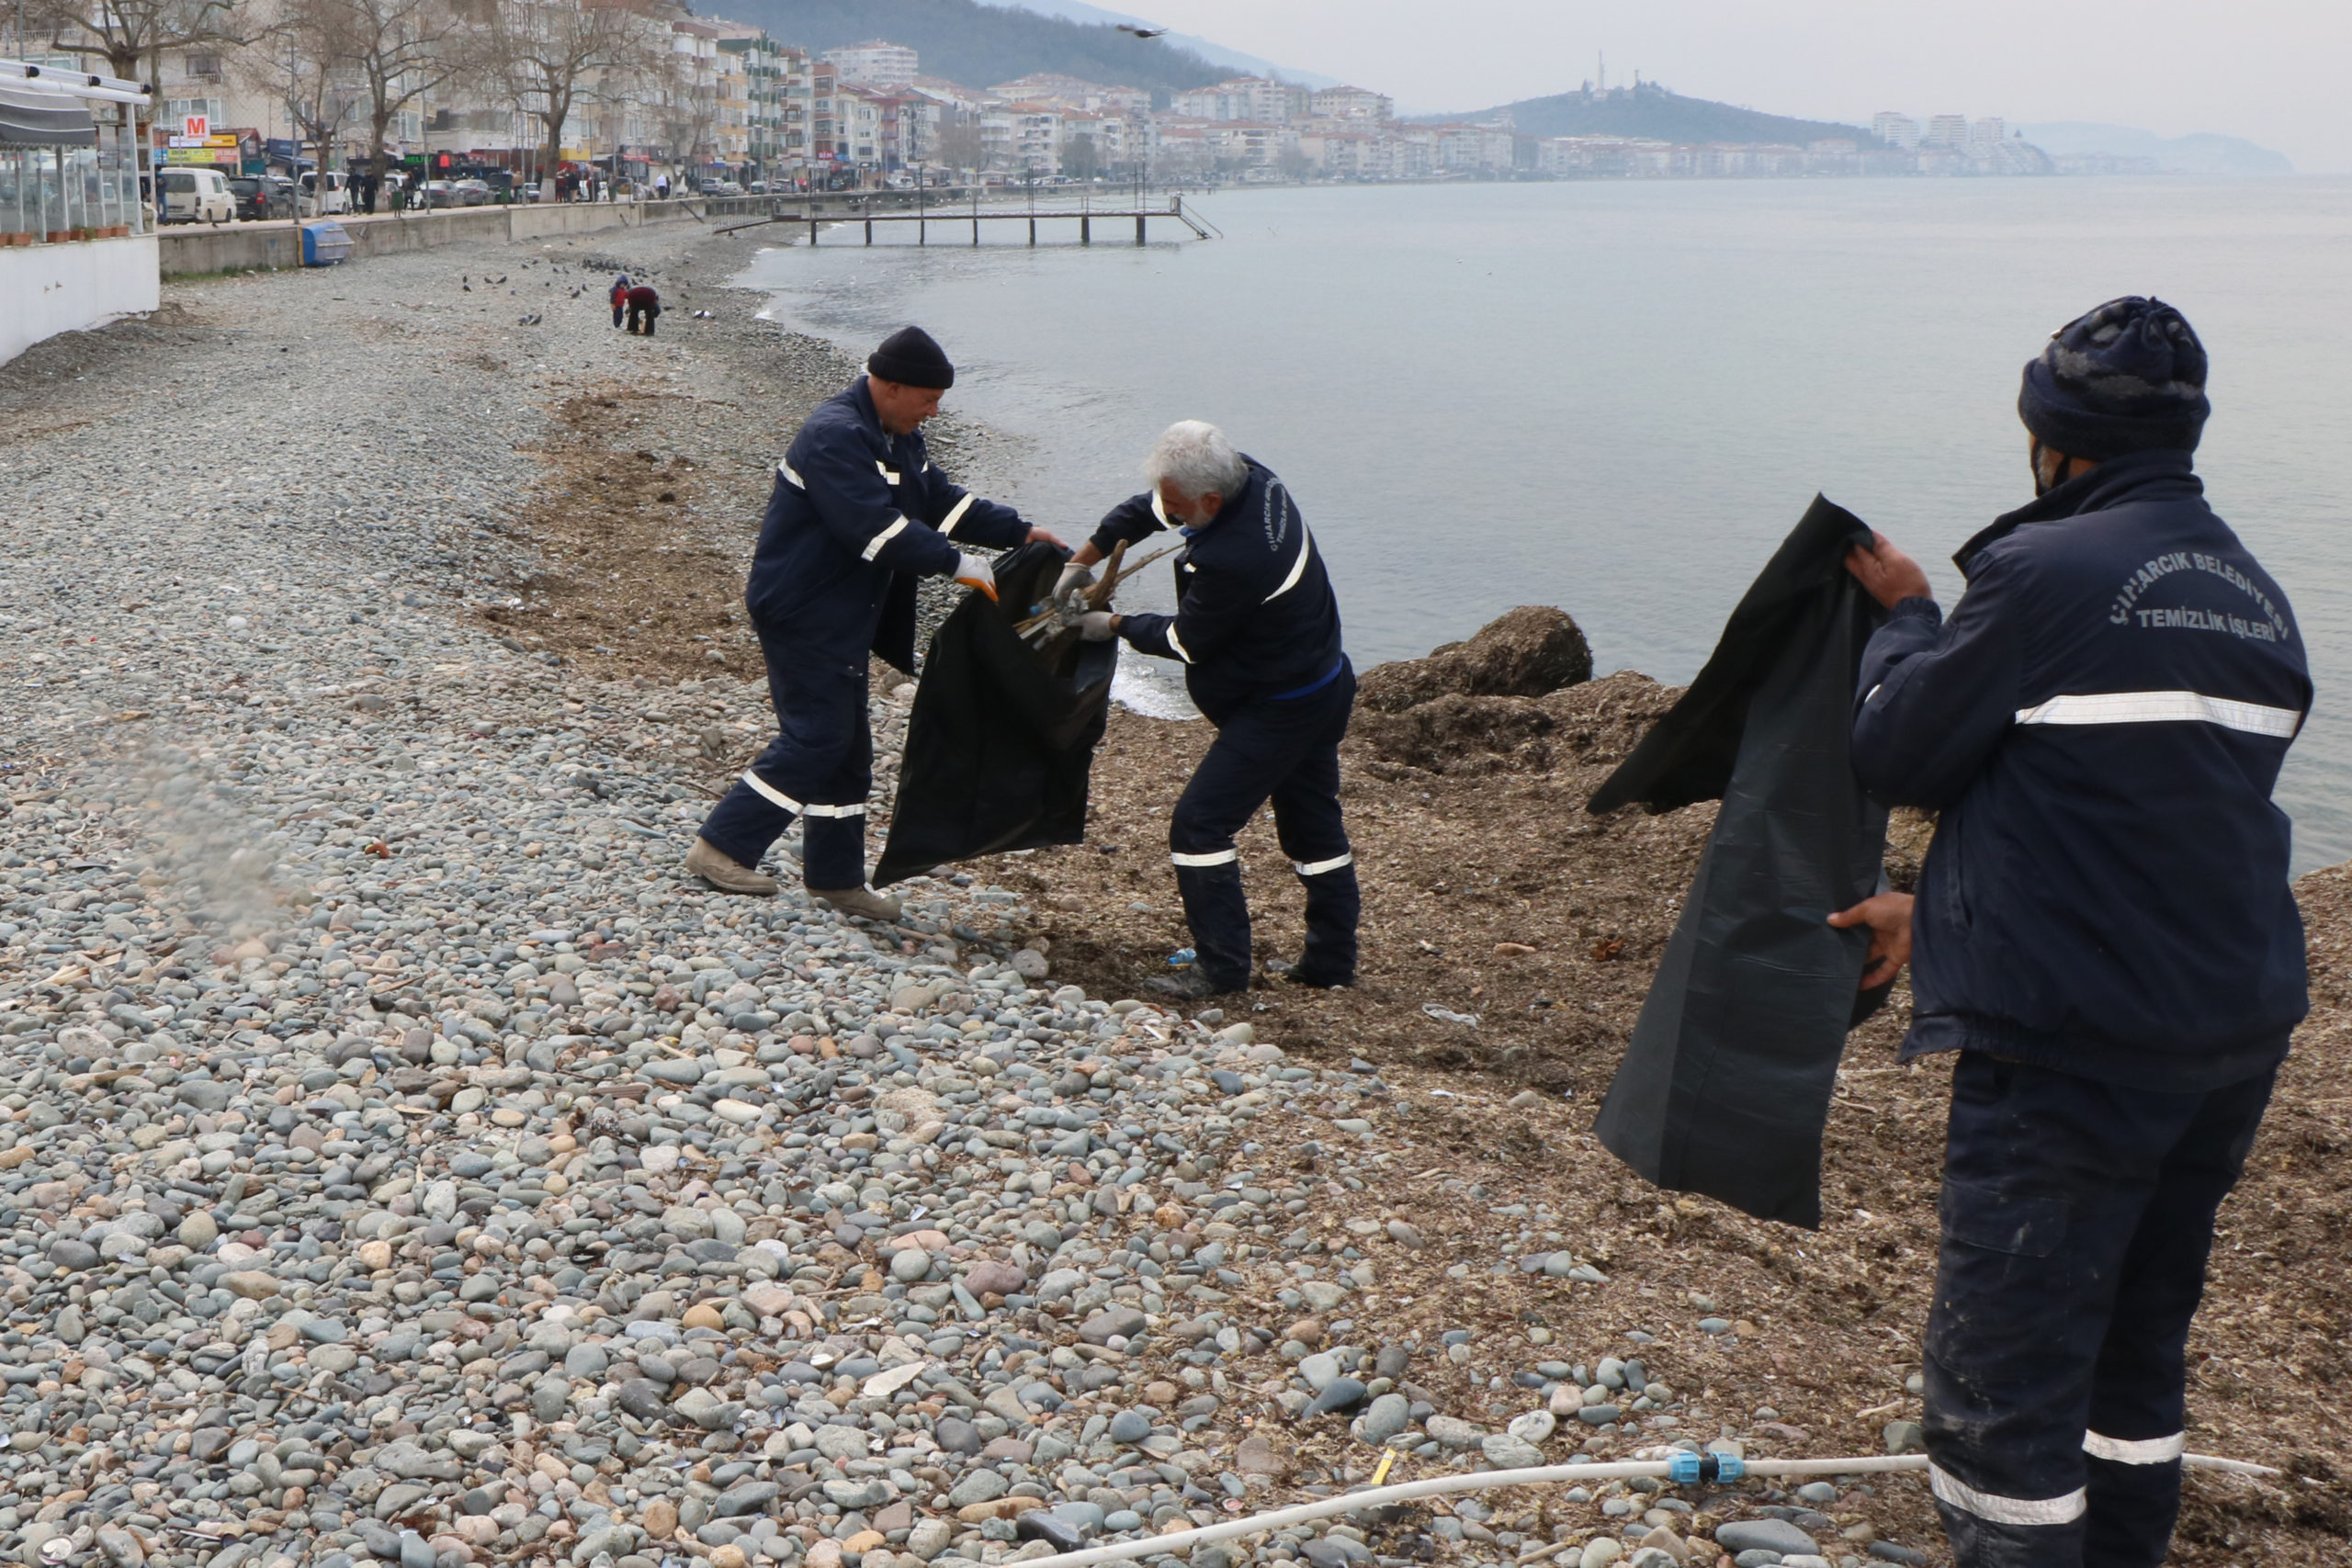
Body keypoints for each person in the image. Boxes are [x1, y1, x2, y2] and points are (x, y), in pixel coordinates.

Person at [1828, 297, 2311, 1568]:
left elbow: (1899, 749)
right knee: (2136, 1349)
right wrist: (1936, 909)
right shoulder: (2256, 597)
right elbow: (2142, 824)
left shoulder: (2042, 572)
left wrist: (1910, 615)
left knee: (2007, 1392)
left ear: (2056, 443)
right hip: (2228, 1031)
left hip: (2075, 1054)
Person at [684, 326, 1064, 918]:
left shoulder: (896, 433)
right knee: (818, 736)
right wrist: (962, 566)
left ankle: (835, 878)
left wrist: (1019, 532)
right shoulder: (835, 437)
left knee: (850, 747)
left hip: (845, 612)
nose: (935, 411)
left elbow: (940, 500)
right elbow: (875, 530)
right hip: (803, 608)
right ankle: (720, 846)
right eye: (928, 399)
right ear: (889, 387)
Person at [1071, 421, 1357, 1000]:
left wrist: (1114, 625)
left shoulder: (1238, 557)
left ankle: (1222, 970)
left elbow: (1187, 641)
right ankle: (1330, 963)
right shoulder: (1251, 475)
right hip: (1323, 680)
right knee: (1314, 830)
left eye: (1180, 509)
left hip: (1280, 707)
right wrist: (1082, 561)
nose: (1169, 515)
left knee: (1199, 825)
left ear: (1211, 501)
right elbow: (1147, 509)